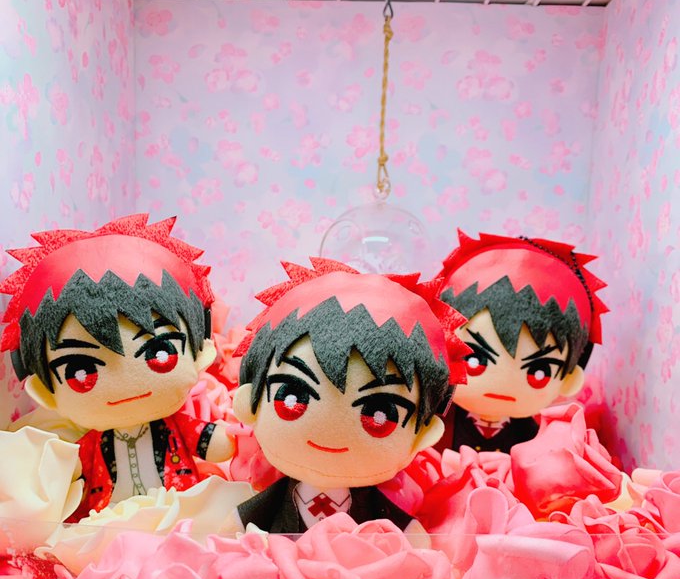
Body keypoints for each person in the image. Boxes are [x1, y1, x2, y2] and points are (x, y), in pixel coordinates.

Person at [0, 213, 234, 518]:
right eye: (80, 372)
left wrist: (228, 438)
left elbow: (213, 443)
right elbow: (69, 473)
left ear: (201, 352)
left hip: (180, 510)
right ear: (45, 392)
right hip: (108, 520)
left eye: (159, 354)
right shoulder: (90, 444)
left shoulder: (177, 426)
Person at [232, 258, 468, 533]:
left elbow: (399, 525)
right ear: (249, 403)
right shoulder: (277, 498)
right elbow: (245, 517)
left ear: (423, 436)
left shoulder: (372, 504)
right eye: (292, 398)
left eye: (379, 415)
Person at [436, 230, 607, 454]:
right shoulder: (439, 417)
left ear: (569, 380)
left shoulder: (530, 432)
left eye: (538, 373)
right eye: (474, 360)